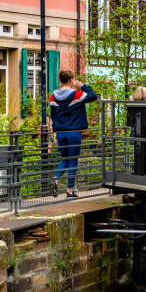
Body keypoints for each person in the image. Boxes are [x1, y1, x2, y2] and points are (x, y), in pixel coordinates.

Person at [49, 70, 99, 198]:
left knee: (65, 159)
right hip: (74, 133)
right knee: (73, 161)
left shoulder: (53, 97)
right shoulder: (77, 95)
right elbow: (93, 96)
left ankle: (55, 179)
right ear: (72, 80)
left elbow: (53, 116)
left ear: (60, 80)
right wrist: (82, 86)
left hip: (60, 133)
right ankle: (70, 191)